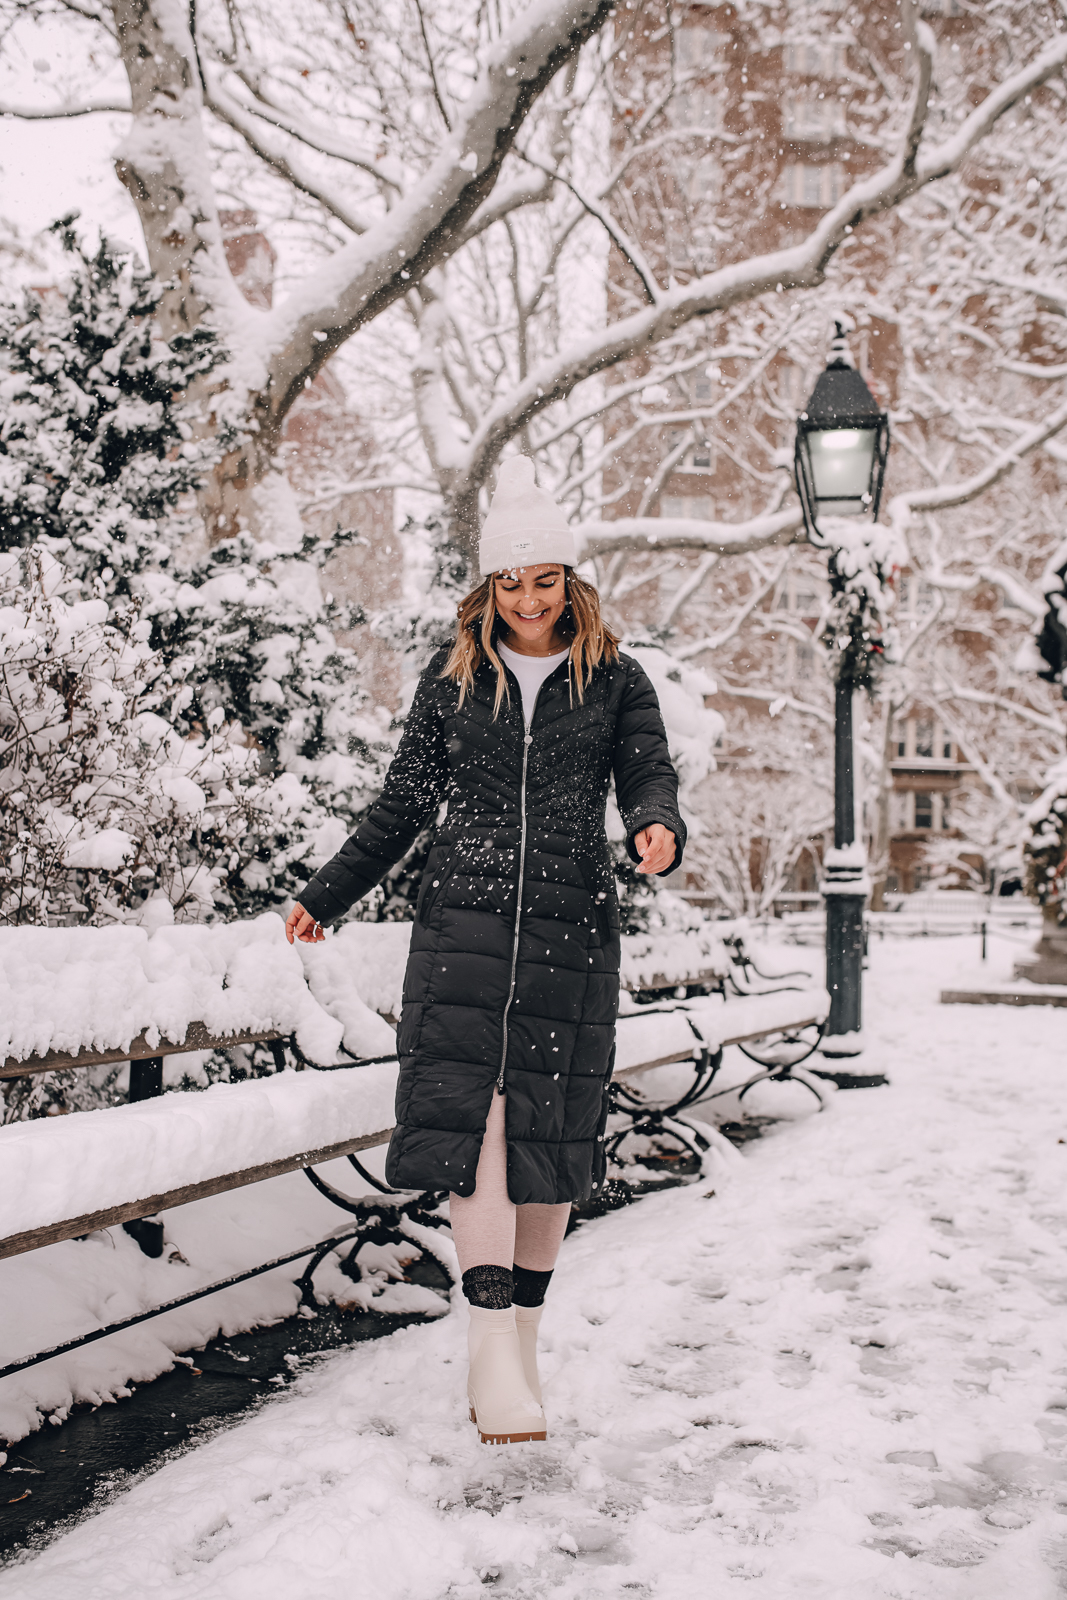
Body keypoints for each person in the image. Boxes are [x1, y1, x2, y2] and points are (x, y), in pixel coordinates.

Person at [286, 456, 685, 1444]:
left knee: (549, 1144)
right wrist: (326, 895)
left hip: (565, 927)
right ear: (486, 589)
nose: (527, 600)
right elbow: (400, 807)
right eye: (509, 584)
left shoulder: (614, 679)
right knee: (485, 1137)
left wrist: (655, 827)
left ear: (569, 582)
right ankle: (485, 1345)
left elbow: (648, 772)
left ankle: (521, 1349)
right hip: (463, 921)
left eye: (543, 580)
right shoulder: (454, 681)